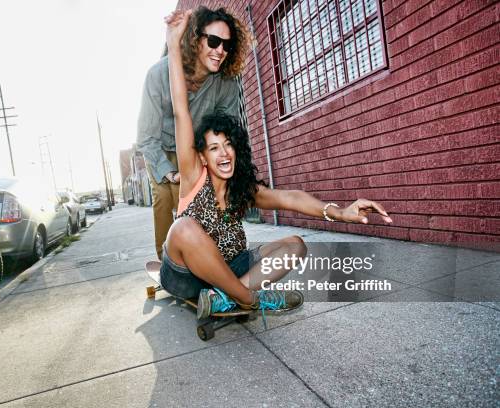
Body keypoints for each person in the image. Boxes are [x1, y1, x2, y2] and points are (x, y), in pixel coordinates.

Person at [162, 10, 394, 320]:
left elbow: (289, 197)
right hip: (186, 275)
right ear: (203, 155)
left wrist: (338, 211)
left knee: (295, 246)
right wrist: (173, 44)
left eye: (228, 144)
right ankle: (249, 298)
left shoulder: (240, 187)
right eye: (214, 148)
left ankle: (225, 298)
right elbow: (181, 110)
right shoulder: (193, 175)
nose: (223, 153)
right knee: (182, 228)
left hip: (234, 266)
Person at [137, 6, 248, 260]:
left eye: (227, 45)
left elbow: (227, 127)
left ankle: (216, 256)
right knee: (167, 198)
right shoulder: (158, 75)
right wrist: (169, 171)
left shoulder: (226, 82)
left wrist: (214, 161)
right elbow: (146, 136)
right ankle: (168, 261)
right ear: (196, 40)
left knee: (205, 200)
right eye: (214, 41)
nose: (221, 50)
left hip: (198, 147)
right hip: (162, 147)